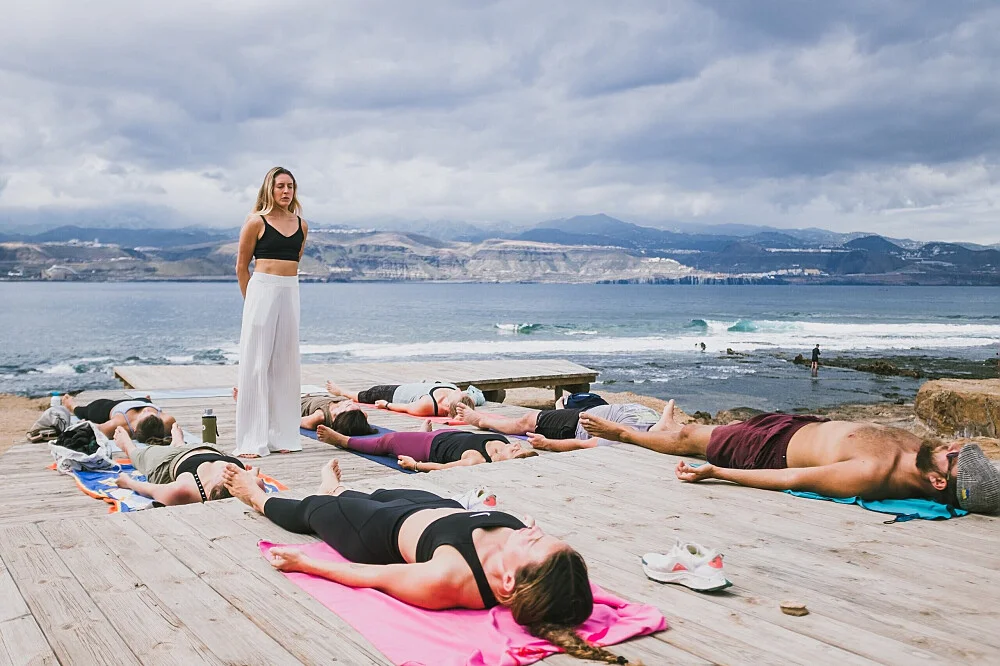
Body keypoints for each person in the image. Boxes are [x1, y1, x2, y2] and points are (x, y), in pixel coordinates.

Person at [222, 459, 629, 664]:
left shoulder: (448, 578)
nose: (532, 531)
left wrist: (306, 564)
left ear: (508, 582)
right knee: (377, 494)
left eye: (535, 542)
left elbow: (372, 575)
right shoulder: (532, 567)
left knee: (313, 510)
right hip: (436, 509)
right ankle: (336, 488)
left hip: (377, 531)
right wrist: (534, 541)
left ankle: (255, 493)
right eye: (541, 535)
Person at [580, 399, 1000, 514]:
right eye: (960, 448)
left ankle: (629, 434)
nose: (952, 446)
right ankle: (666, 429)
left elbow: (791, 481)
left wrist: (717, 472)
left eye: (954, 457)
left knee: (691, 438)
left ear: (939, 481)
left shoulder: (869, 473)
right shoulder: (921, 453)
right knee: (708, 429)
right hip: (797, 425)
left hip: (770, 451)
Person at [235, 166, 309, 458]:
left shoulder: (301, 225)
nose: (286, 191)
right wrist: (250, 302)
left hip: (290, 290)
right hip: (262, 290)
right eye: (280, 186)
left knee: (286, 364)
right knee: (256, 364)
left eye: (290, 186)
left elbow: (296, 259)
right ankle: (252, 440)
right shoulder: (256, 221)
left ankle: (283, 437)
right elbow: (241, 267)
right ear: (270, 188)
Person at [111, 426, 265, 506]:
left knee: (136, 455)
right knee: (180, 446)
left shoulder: (183, 491)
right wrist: (252, 474)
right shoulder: (251, 484)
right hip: (210, 449)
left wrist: (127, 482)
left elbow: (151, 489)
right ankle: (178, 442)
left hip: (170, 461)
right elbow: (254, 474)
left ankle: (126, 443)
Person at [315, 419, 538, 471]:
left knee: (388, 441)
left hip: (428, 447)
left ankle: (342, 440)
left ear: (505, 462)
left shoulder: (477, 460)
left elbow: (442, 468)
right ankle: (421, 433)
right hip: (446, 435)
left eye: (516, 454)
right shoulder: (504, 441)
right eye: (521, 449)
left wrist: (415, 465)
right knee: (422, 435)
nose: (517, 448)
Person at [455, 402, 660, 452]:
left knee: (526, 421)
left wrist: (547, 443)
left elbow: (582, 444)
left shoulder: (623, 436)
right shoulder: (659, 425)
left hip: (573, 424)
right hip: (590, 410)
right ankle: (560, 407)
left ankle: (482, 421)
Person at [326, 380, 474, 418]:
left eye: (459, 393)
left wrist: (386, 405)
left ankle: (341, 391)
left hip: (395, 393)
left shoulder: (428, 405)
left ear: (448, 405)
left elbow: (406, 408)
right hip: (417, 386)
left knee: (370, 394)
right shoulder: (455, 393)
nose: (459, 390)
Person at [61, 394, 177, 442]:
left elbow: (94, 428)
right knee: (146, 403)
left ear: (135, 428)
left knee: (85, 412)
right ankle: (147, 400)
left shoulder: (118, 425)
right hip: (142, 401)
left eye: (144, 414)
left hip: (111, 407)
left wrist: (84, 423)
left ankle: (71, 405)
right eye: (151, 413)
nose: (146, 410)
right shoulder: (167, 421)